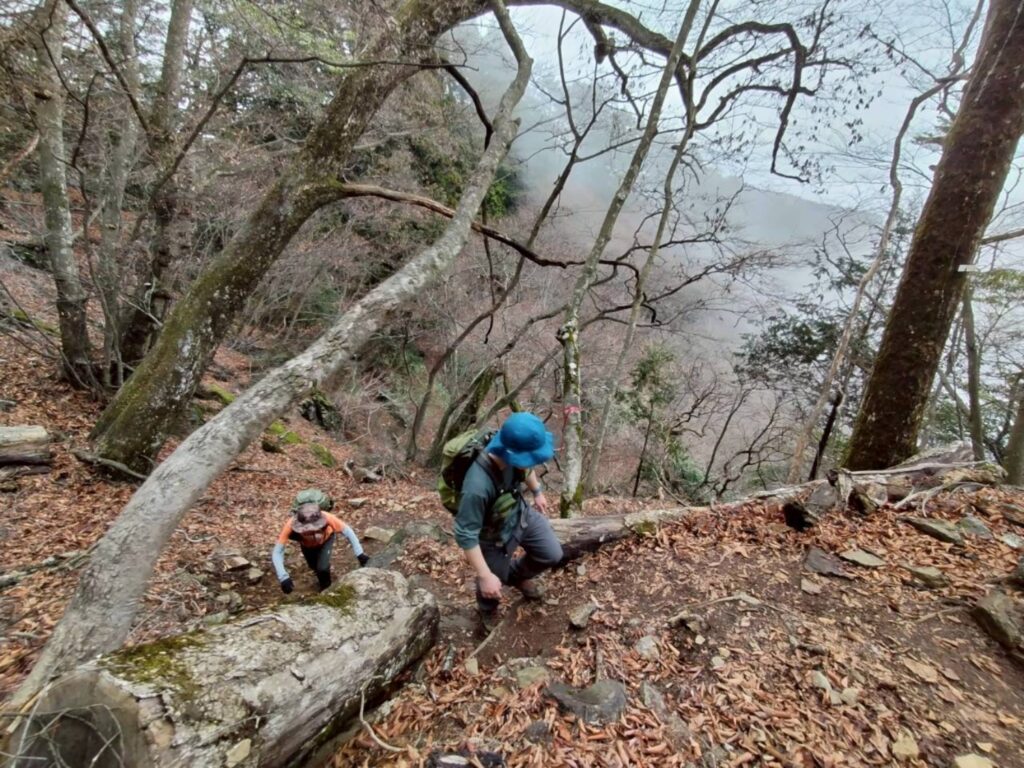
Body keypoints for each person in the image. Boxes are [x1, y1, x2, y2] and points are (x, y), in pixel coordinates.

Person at [454, 412, 563, 629]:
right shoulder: (477, 486)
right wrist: (485, 575)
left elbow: (526, 467)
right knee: (492, 585)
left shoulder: (511, 451)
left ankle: (514, 576)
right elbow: (466, 534)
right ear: (514, 454)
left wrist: (537, 491)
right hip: (491, 536)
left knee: (551, 554)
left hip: (519, 513)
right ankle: (487, 610)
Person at [271, 488, 369, 593]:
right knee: (313, 566)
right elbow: (277, 552)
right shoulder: (290, 524)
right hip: (306, 545)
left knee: (322, 568)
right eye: (306, 531)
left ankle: (326, 589)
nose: (310, 532)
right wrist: (283, 577)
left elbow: (348, 531)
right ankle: (320, 575)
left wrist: (360, 554)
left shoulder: (328, 517)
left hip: (326, 540)